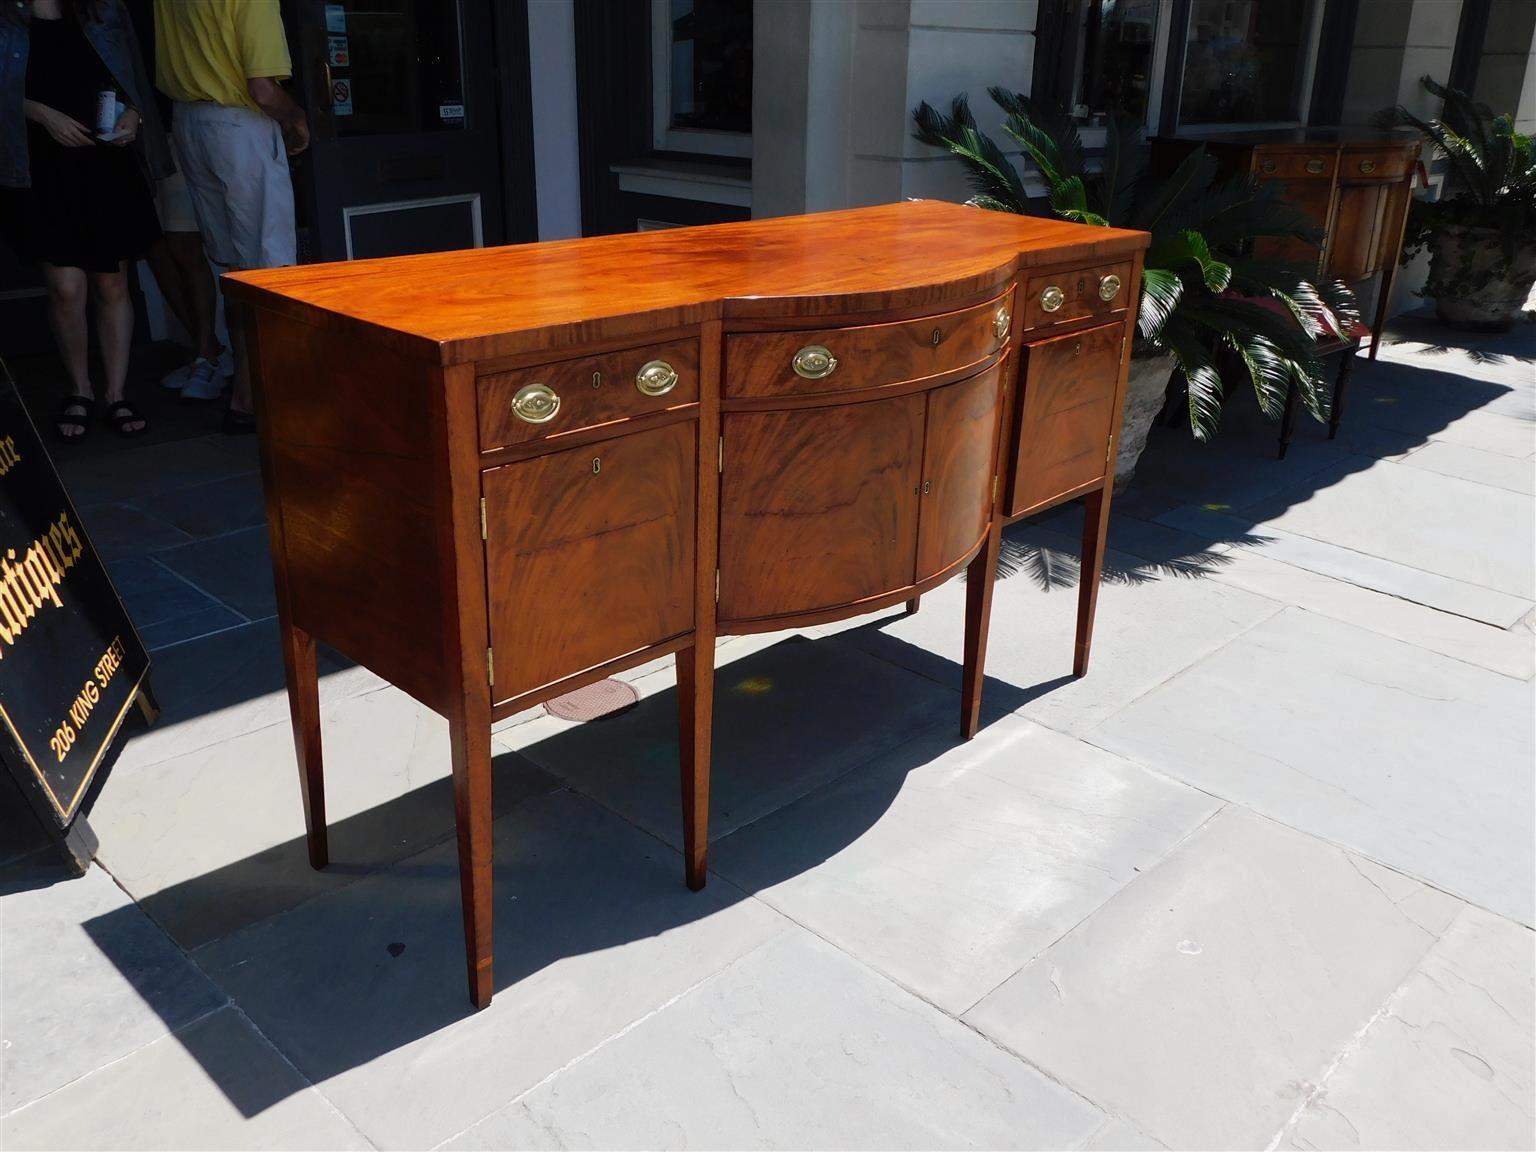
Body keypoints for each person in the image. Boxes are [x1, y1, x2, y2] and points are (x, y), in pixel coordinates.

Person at [0, 0, 171, 440]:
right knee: (65, 288)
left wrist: (134, 116)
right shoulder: (6, 14)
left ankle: (115, 393)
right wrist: (41, 113)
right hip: (40, 164)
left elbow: (134, 74)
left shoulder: (103, 8)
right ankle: (80, 388)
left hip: (105, 161)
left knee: (112, 282)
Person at [154, 0, 307, 435]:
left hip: (189, 123)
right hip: (238, 125)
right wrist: (297, 118)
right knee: (269, 273)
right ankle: (267, 398)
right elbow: (262, 88)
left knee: (235, 271)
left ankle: (246, 391)